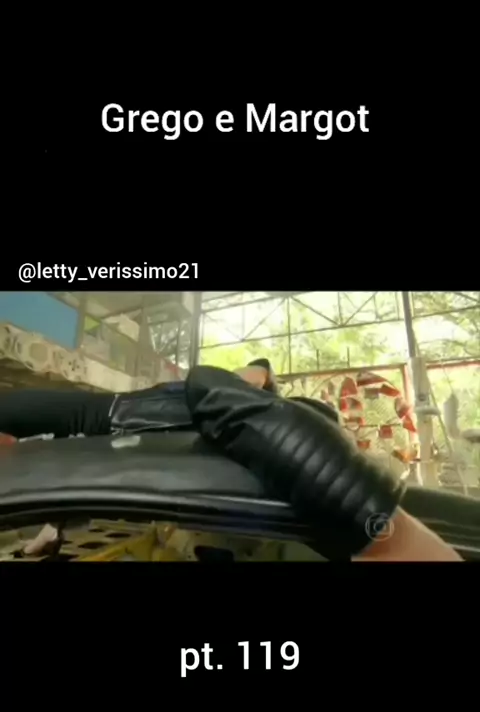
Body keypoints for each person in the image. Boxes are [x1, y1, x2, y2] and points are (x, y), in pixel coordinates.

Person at [0, 360, 461, 561]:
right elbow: (258, 368)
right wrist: (255, 375)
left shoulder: (256, 444)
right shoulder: (250, 406)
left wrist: (385, 538)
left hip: (108, 436)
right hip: (107, 413)